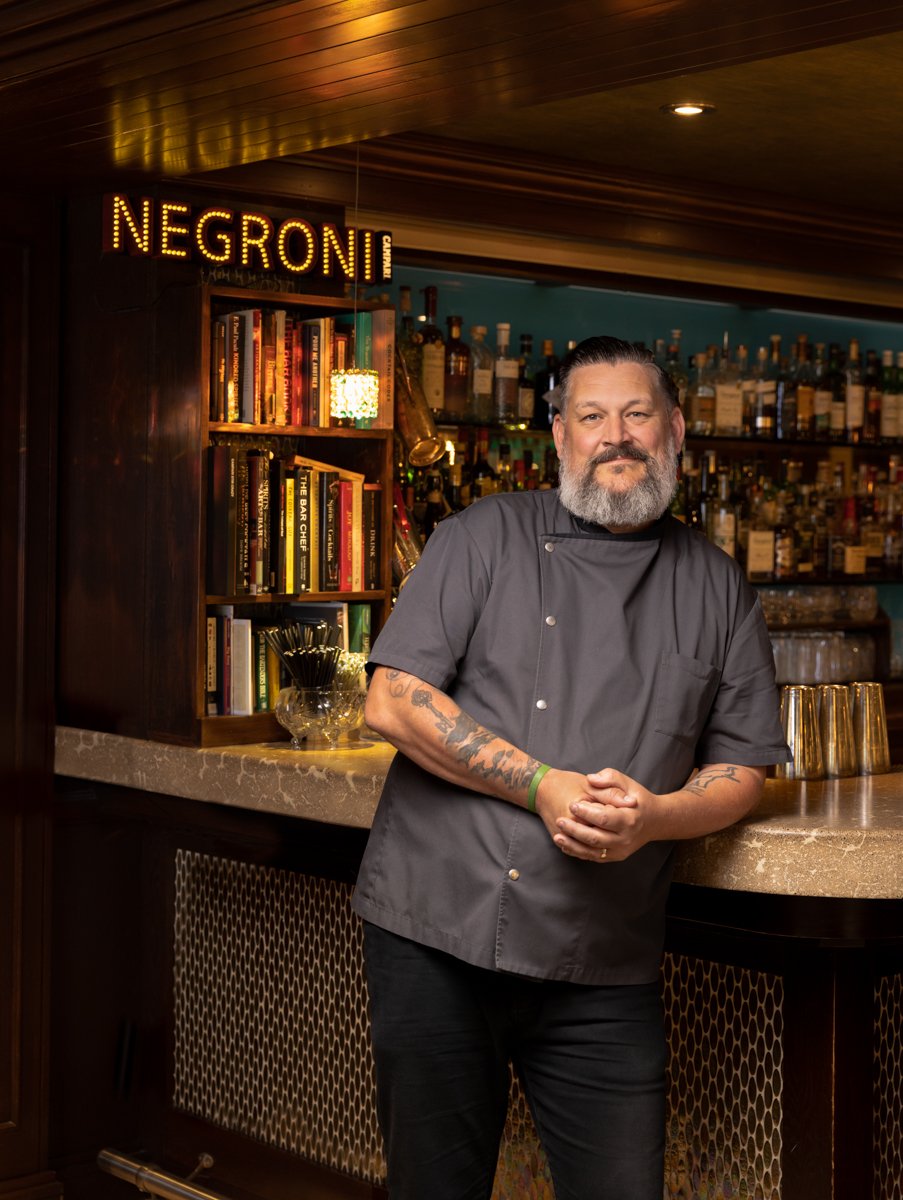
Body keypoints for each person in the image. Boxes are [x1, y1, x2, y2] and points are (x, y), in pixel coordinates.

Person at [352, 335, 790, 1200]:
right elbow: (394, 698)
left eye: (637, 415)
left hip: (603, 959)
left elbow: (743, 767)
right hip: (438, 934)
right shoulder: (484, 536)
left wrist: (656, 817)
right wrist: (541, 784)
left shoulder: (715, 586)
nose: (615, 436)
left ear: (674, 434)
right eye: (592, 417)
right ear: (559, 438)